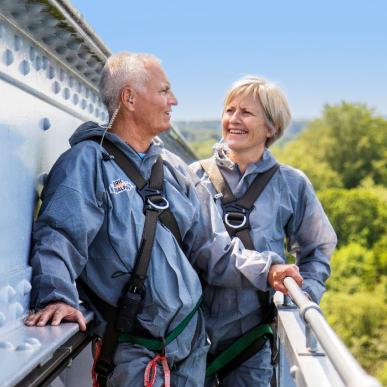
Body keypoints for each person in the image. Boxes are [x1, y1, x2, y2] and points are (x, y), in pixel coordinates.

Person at [25, 54, 303, 387]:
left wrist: (268, 270)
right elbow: (59, 236)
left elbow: (209, 246)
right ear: (129, 98)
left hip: (190, 354)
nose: (174, 100)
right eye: (164, 91)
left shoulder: (172, 168)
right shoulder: (86, 164)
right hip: (136, 359)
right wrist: (55, 297)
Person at [190, 75, 337, 387]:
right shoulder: (194, 178)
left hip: (252, 340)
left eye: (247, 112)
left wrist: (302, 296)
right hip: (189, 339)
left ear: (271, 128)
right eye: (230, 110)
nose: (234, 120)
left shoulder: (291, 184)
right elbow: (197, 247)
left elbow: (317, 249)